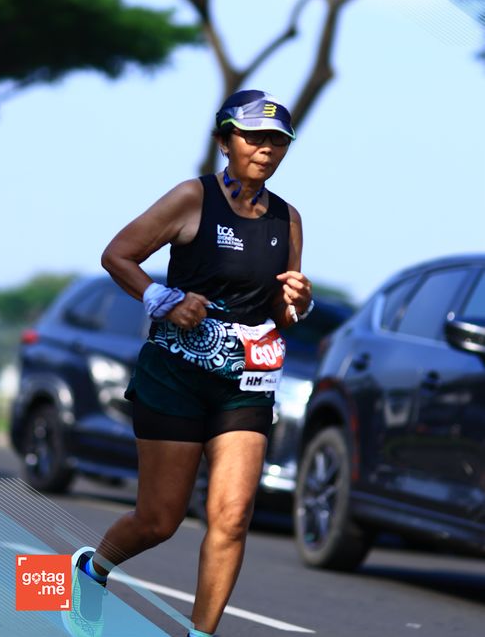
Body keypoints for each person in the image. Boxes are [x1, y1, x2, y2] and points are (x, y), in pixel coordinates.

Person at [62, 89, 314, 637]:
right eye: (253, 137)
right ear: (225, 141)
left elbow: (283, 311)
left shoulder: (287, 219)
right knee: (160, 520)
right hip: (175, 376)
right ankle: (91, 569)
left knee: (233, 517)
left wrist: (299, 301)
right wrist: (163, 299)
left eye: (277, 141)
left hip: (246, 382)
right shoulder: (192, 198)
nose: (266, 149)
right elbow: (118, 255)